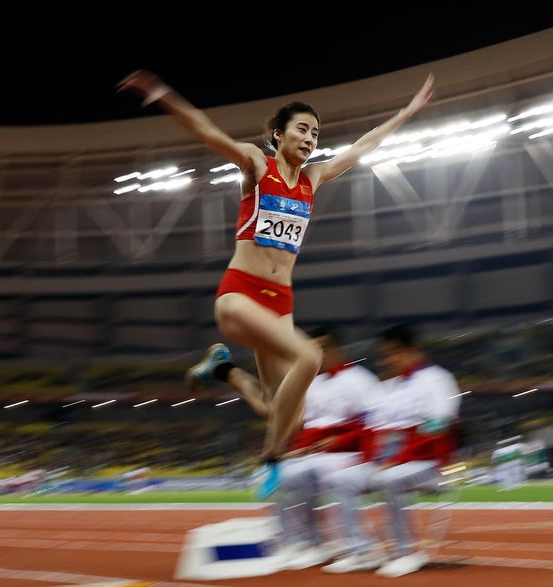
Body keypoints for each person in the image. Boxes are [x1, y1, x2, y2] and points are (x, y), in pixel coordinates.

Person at [117, 70, 434, 495]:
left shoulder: (312, 179)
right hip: (239, 295)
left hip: (279, 304)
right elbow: (207, 131)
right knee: (310, 356)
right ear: (278, 134)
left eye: (315, 133)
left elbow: (363, 146)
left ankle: (224, 369)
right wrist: (162, 94)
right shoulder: (257, 164)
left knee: (286, 412)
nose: (310, 138)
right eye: (301, 129)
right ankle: (271, 458)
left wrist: (407, 112)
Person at [322, 324, 461, 578]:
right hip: (389, 462)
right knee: (341, 478)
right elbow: (371, 433)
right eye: (384, 354)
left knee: (389, 478)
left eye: (392, 353)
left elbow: (438, 427)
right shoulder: (386, 388)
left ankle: (403, 552)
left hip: (429, 464)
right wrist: (371, 461)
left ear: (409, 350)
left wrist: (398, 460)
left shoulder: (437, 380)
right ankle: (361, 550)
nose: (387, 360)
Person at [274, 326, 380, 570]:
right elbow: (309, 428)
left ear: (337, 349)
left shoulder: (361, 380)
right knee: (281, 477)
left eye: (321, 349)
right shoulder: (313, 384)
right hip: (319, 454)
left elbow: (373, 425)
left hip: (351, 454)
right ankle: (305, 543)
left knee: (328, 475)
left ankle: (357, 547)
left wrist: (340, 441)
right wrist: (298, 449)